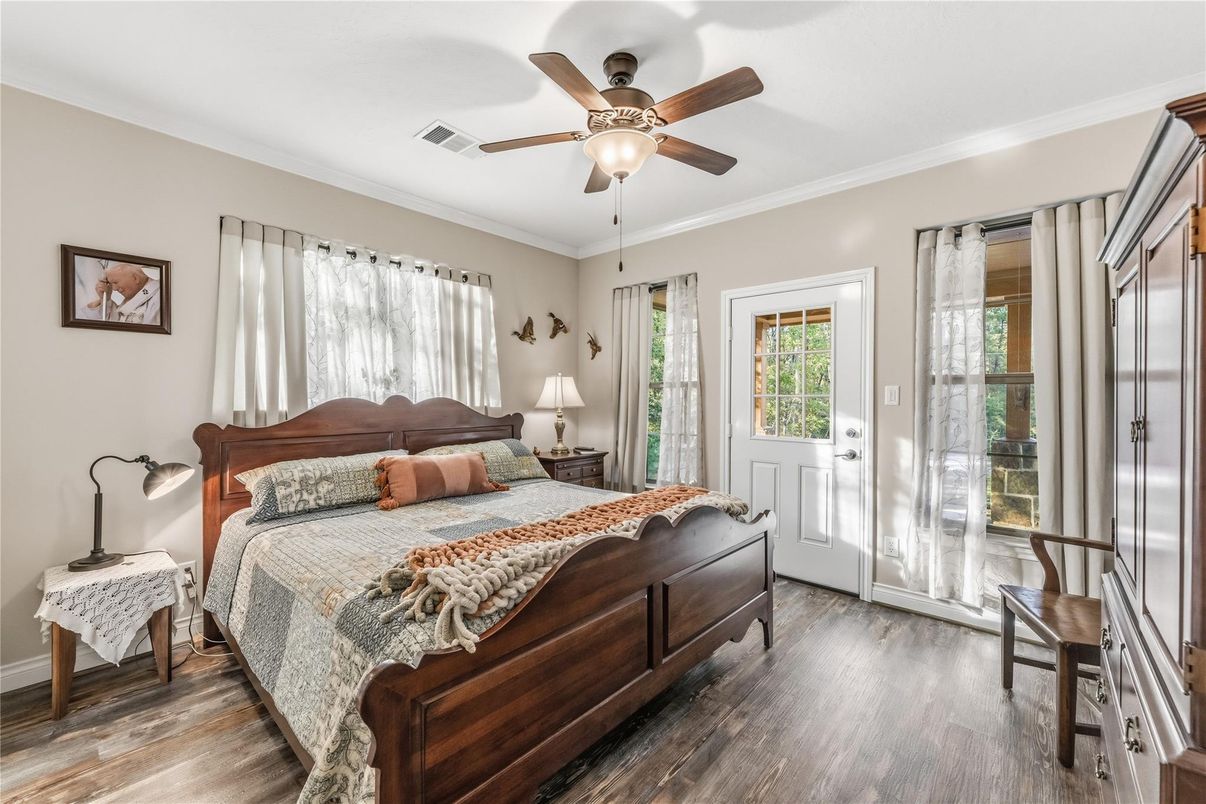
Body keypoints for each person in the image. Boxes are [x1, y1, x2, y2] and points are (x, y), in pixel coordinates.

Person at [88, 263, 160, 325]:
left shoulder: (159, 296)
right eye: (111, 284)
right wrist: (106, 299)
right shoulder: (134, 295)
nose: (114, 289)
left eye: (116, 282)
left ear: (135, 278)